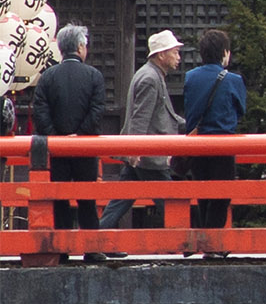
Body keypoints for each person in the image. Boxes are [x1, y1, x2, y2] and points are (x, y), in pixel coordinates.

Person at [32, 24, 106, 231]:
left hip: (56, 147)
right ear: (81, 47)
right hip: (85, 146)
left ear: (61, 49)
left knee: (59, 199)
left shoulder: (47, 76)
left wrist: (55, 137)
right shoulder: (94, 75)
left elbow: (40, 111)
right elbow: (97, 110)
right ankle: (91, 248)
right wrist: (81, 134)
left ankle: (62, 248)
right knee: (87, 199)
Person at [111, 29, 182, 230]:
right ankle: (187, 241)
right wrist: (136, 149)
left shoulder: (150, 74)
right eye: (174, 52)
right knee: (172, 205)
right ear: (161, 55)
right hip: (148, 155)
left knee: (119, 203)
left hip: (142, 153)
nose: (178, 57)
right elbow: (141, 118)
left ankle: (95, 238)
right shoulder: (151, 78)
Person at [179, 30, 246, 229]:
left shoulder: (190, 77)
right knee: (221, 196)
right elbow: (240, 109)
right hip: (223, 144)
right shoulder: (233, 80)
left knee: (203, 194)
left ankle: (204, 239)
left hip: (197, 144)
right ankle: (213, 243)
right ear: (225, 53)